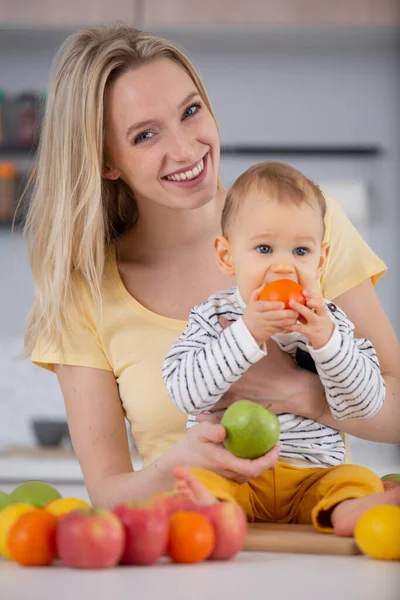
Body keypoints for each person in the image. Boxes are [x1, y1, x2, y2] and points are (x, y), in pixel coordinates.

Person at [24, 25, 400, 509]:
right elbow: (109, 493)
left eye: (190, 111)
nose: (185, 149)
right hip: (194, 553)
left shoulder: (307, 228)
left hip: (315, 553)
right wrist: (182, 460)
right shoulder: (85, 291)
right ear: (105, 161)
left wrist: (293, 391)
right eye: (144, 135)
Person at [163, 161, 399, 536]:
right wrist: (247, 333)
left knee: (354, 478)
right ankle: (214, 511)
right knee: (199, 481)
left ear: (321, 261)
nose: (284, 266)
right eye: (264, 248)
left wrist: (328, 344)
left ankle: (351, 510)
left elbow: (367, 402)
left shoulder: (331, 323)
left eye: (301, 251)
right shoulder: (214, 318)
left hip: (313, 474)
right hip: (234, 471)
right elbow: (183, 393)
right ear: (227, 256)